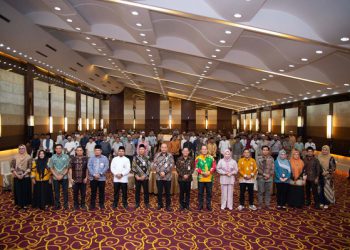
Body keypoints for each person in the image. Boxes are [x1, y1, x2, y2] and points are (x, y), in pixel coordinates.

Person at [152, 143, 175, 211]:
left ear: (167, 148)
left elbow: (171, 165)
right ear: (160, 148)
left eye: (165, 147)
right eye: (162, 147)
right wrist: (160, 172)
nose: (164, 149)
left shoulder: (170, 155)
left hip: (167, 177)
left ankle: (168, 205)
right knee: (159, 192)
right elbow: (154, 165)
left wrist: (164, 172)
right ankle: (160, 204)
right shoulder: (157, 155)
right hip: (159, 177)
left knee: (168, 192)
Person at [48, 144, 70, 210]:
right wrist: (56, 175)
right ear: (55, 149)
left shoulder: (66, 156)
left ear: (62, 149)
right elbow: (51, 168)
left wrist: (62, 175)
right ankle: (57, 205)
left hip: (64, 177)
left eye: (60, 148)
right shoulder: (52, 157)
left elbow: (67, 167)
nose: (58, 149)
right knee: (56, 192)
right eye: (57, 148)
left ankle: (66, 205)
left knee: (65, 191)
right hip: (55, 177)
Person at [10, 145, 32, 209]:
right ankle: (19, 204)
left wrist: (23, 175)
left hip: (26, 177)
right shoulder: (15, 157)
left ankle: (25, 204)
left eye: (23, 148)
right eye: (20, 149)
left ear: (25, 149)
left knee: (25, 191)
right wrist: (17, 175)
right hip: (16, 177)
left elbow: (30, 168)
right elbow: (12, 167)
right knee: (18, 191)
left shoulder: (28, 157)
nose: (21, 150)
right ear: (18, 149)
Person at [88, 145, 109, 210]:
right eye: (96, 150)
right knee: (93, 192)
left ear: (101, 151)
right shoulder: (91, 158)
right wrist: (94, 174)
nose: (97, 152)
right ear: (94, 151)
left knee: (101, 192)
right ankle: (92, 204)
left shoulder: (104, 158)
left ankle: (101, 204)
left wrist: (100, 173)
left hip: (102, 178)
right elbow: (89, 166)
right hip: (93, 178)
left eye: (98, 150)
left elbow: (106, 167)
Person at [196, 145, 216, 211]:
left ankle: (208, 205)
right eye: (203, 149)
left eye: (205, 149)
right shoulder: (198, 158)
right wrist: (202, 173)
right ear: (201, 150)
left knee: (209, 193)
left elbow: (214, 166)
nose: (204, 150)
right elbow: (196, 167)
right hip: (201, 178)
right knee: (200, 193)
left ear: (207, 150)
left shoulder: (211, 158)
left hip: (209, 178)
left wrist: (209, 172)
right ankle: (200, 205)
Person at [132, 144, 151, 209]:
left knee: (146, 191)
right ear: (138, 150)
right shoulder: (135, 158)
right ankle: (137, 203)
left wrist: (144, 176)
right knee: (137, 191)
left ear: (145, 150)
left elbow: (149, 168)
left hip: (145, 178)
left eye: (142, 149)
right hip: (137, 177)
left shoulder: (147, 158)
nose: (141, 150)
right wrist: (136, 176)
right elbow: (133, 167)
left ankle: (146, 203)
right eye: (140, 149)